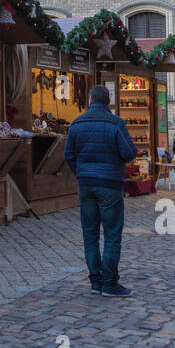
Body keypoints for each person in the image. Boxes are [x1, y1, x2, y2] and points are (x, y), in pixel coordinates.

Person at [64, 84, 137, 298]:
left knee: (90, 234)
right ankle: (109, 282)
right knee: (112, 234)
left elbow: (69, 154)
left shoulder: (77, 123)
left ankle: (95, 280)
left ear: (89, 100)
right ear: (108, 101)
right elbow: (129, 152)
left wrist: (82, 172)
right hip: (109, 183)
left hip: (86, 183)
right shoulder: (115, 123)